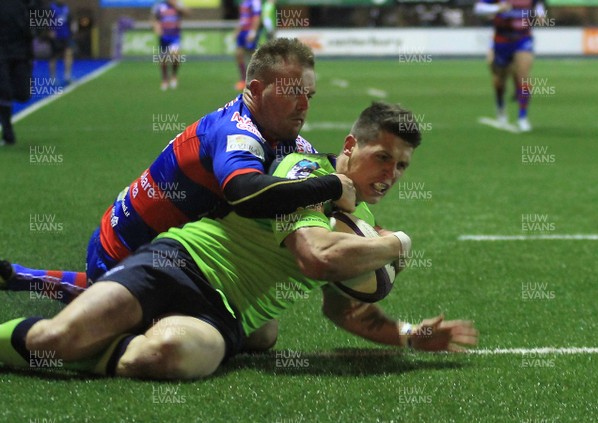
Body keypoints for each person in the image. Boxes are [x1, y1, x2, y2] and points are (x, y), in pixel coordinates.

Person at [0, 101, 478, 380]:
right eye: (382, 159)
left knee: (164, 355)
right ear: (351, 147)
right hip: (178, 264)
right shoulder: (306, 171)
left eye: (401, 167)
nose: (390, 175)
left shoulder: (362, 220)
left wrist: (409, 335)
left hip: (222, 314)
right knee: (53, 339)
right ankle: (91, 322)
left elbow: (344, 310)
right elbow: (315, 257)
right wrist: (398, 244)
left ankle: (114, 330)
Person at [1, 38, 355, 299]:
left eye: (310, 95)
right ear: (256, 90)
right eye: (294, 92)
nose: (304, 105)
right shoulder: (235, 131)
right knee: (206, 335)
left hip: (158, 252)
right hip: (120, 252)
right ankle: (34, 279)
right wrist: (331, 187)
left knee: (254, 330)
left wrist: (351, 172)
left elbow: (320, 165)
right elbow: (245, 194)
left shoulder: (277, 129)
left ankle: (25, 277)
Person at [474, 0, 547, 132]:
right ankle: (501, 107)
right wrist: (496, 8)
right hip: (501, 40)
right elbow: (479, 9)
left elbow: (539, 7)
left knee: (524, 76)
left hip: (523, 38)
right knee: (500, 80)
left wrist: (540, 15)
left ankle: (522, 117)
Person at [0, 0, 41, 146]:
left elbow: (38, 14)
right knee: (4, 92)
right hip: (2, 51)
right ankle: (8, 133)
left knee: (24, 95)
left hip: (21, 51)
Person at [152, 0, 189, 91]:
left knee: (176, 55)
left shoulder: (178, 4)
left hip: (175, 36)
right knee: (163, 60)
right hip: (164, 36)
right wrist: (157, 28)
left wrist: (177, 7)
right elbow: (155, 19)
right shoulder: (159, 6)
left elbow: (187, 13)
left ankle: (174, 76)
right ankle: (165, 79)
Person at [234, 0, 262, 91]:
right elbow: (243, 18)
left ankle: (256, 79)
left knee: (252, 56)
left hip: (249, 31)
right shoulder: (244, 1)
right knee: (239, 54)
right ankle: (243, 80)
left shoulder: (255, 1)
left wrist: (253, 32)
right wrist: (238, 30)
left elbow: (257, 17)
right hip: (242, 31)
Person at [48, 0, 74, 86]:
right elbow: (46, 20)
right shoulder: (51, 8)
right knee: (53, 57)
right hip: (56, 37)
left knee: (68, 54)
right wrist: (50, 30)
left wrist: (72, 29)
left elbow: (70, 19)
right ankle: (53, 77)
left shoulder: (66, 8)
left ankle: (67, 76)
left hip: (66, 36)